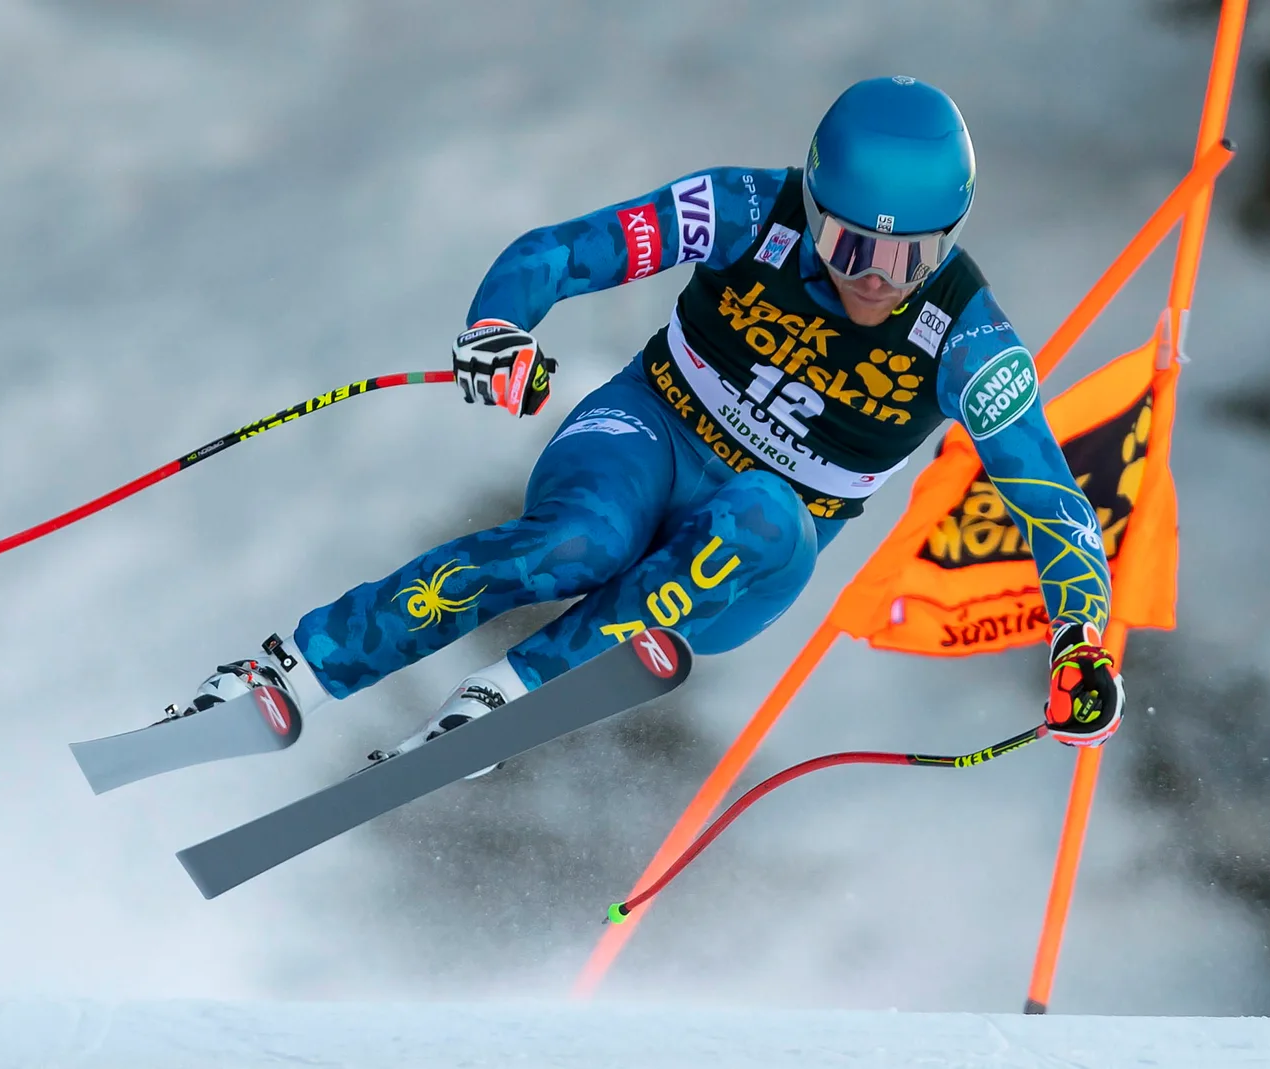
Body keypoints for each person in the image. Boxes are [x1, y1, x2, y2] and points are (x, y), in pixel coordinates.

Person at [195, 76, 1123, 769]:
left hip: (755, 549)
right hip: (648, 432)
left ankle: (505, 700)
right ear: (814, 202)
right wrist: (498, 329)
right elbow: (560, 252)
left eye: (910, 256)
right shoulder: (747, 210)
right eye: (849, 245)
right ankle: (289, 669)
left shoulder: (968, 338)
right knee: (575, 543)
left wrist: (1081, 638)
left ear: (951, 239)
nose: (875, 278)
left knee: (763, 508)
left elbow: (1048, 496)